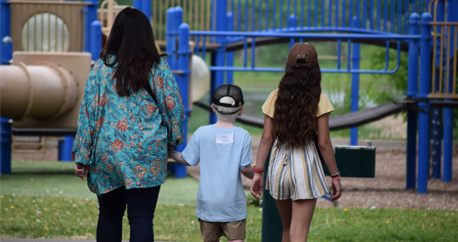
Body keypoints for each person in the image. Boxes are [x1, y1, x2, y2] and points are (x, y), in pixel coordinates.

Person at [72, 7, 185, 242]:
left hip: (107, 154)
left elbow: (88, 114)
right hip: (146, 152)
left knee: (110, 215)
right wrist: (173, 140)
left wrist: (82, 155)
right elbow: (174, 109)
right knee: (142, 216)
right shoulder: (157, 67)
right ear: (146, 34)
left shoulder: (101, 69)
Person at [250, 43, 342, 242]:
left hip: (277, 168)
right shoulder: (319, 99)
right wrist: (335, 176)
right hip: (305, 167)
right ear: (315, 69)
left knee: (286, 229)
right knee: (299, 233)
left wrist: (258, 172)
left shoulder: (275, 97)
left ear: (288, 68)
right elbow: (324, 143)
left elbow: (266, 138)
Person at [168, 84, 254, 242]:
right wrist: (257, 175)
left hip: (207, 203)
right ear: (240, 111)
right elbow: (246, 168)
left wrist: (170, 152)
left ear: (213, 108)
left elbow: (187, 160)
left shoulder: (202, 132)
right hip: (233, 203)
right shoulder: (243, 135)